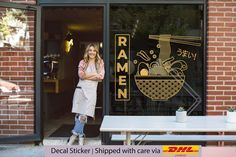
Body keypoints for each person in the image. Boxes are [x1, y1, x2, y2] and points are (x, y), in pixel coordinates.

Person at [67, 43, 105, 145]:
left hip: (91, 92)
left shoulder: (100, 62)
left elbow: (101, 77)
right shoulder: (83, 62)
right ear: (87, 52)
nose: (92, 52)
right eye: (90, 50)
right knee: (79, 113)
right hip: (81, 90)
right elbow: (81, 75)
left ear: (96, 52)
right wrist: (94, 75)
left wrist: (88, 76)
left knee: (84, 114)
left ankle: (74, 134)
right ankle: (81, 136)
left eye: (94, 50)